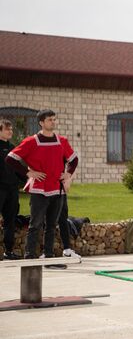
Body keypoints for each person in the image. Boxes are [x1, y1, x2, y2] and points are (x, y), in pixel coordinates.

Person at [6, 109, 78, 263]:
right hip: (39, 189)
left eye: (54, 119)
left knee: (51, 225)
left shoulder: (62, 141)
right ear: (41, 123)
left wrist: (68, 174)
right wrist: (28, 173)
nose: (53, 122)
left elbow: (74, 159)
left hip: (57, 189)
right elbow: (10, 158)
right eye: (50, 119)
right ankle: (30, 257)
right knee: (35, 225)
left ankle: (49, 257)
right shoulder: (31, 141)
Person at [0, 119, 24, 260]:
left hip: (12, 190)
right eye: (7, 129)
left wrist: (29, 180)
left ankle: (8, 252)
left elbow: (19, 169)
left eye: (11, 129)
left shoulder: (13, 148)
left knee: (10, 221)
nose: (10, 131)